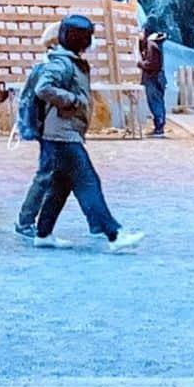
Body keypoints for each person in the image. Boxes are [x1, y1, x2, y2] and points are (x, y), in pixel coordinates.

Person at [32, 14, 146, 253]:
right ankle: (113, 234)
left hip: (64, 134)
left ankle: (43, 233)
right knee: (88, 182)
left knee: (60, 186)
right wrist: (71, 100)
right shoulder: (61, 63)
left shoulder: (71, 60)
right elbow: (43, 88)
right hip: (62, 136)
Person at [15, 21, 61, 240]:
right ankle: (25, 221)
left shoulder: (47, 65)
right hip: (50, 129)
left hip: (52, 129)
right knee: (47, 175)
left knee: (72, 176)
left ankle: (99, 221)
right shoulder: (46, 67)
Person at [138, 19, 167, 135]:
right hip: (159, 76)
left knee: (154, 101)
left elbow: (152, 64)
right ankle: (159, 125)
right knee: (159, 101)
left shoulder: (152, 44)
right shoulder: (156, 42)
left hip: (153, 77)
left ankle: (159, 126)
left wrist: (140, 64)